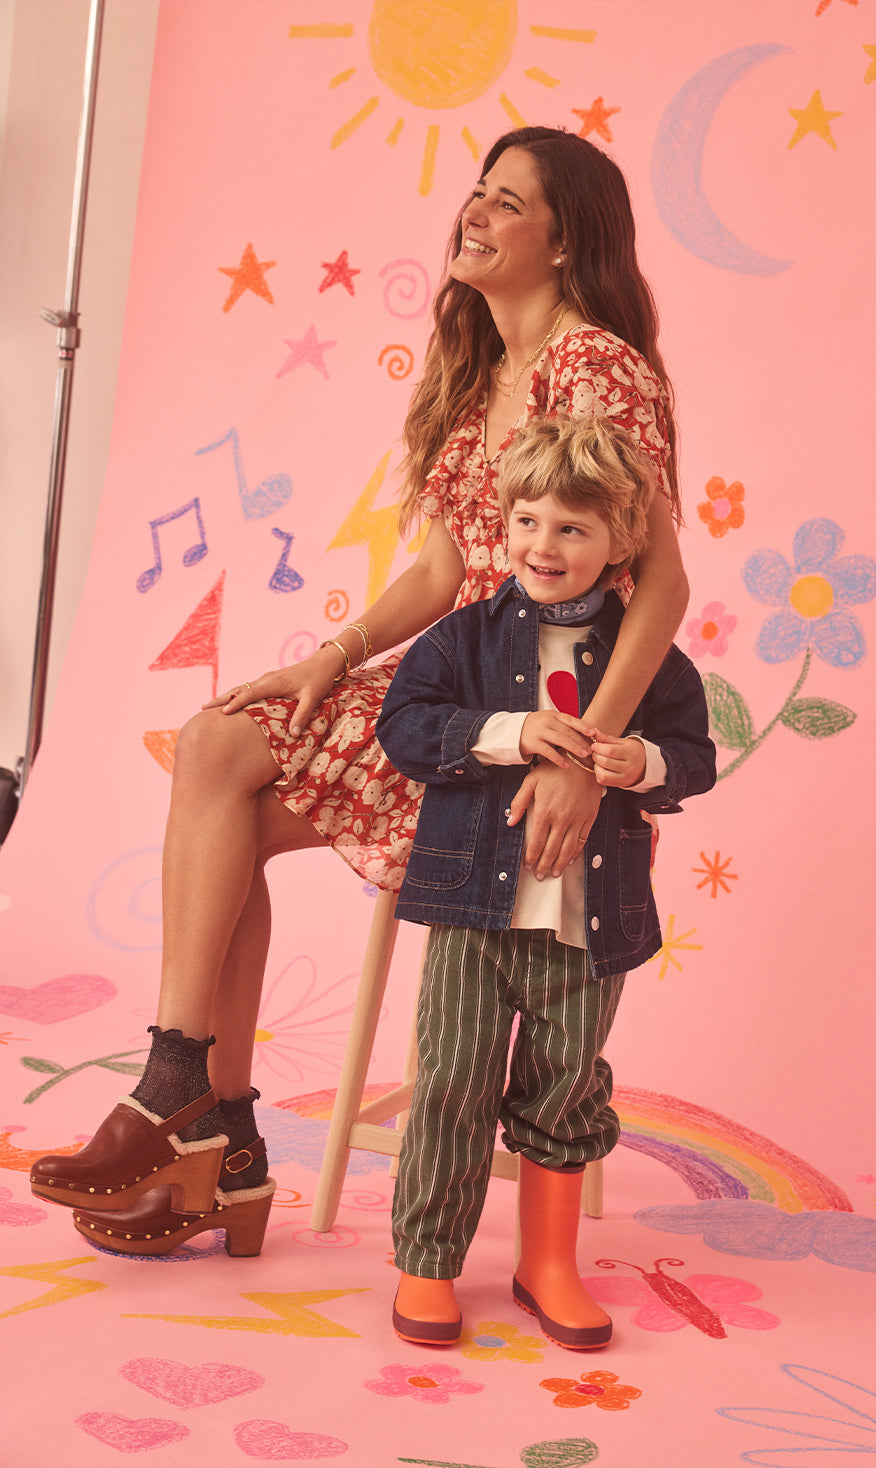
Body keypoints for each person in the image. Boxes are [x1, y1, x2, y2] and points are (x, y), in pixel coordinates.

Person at [30, 126, 689, 1260]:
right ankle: (203, 1110)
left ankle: (199, 1123)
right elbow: (440, 572)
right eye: (473, 193)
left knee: (221, 789)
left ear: (564, 237)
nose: (472, 213)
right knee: (223, 745)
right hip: (455, 690)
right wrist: (326, 660)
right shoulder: (477, 369)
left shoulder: (596, 369)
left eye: (506, 201)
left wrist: (580, 751)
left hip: (538, 726)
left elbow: (665, 586)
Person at [375, 414, 716, 1349]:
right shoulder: (466, 640)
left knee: (566, 1088)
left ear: (620, 543)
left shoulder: (651, 659)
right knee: (450, 1084)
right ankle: (428, 1264)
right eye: (527, 520)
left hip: (588, 924)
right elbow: (404, 725)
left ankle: (548, 1265)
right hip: (473, 917)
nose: (544, 544)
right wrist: (509, 733)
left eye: (572, 527)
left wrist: (639, 761)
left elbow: (696, 756)